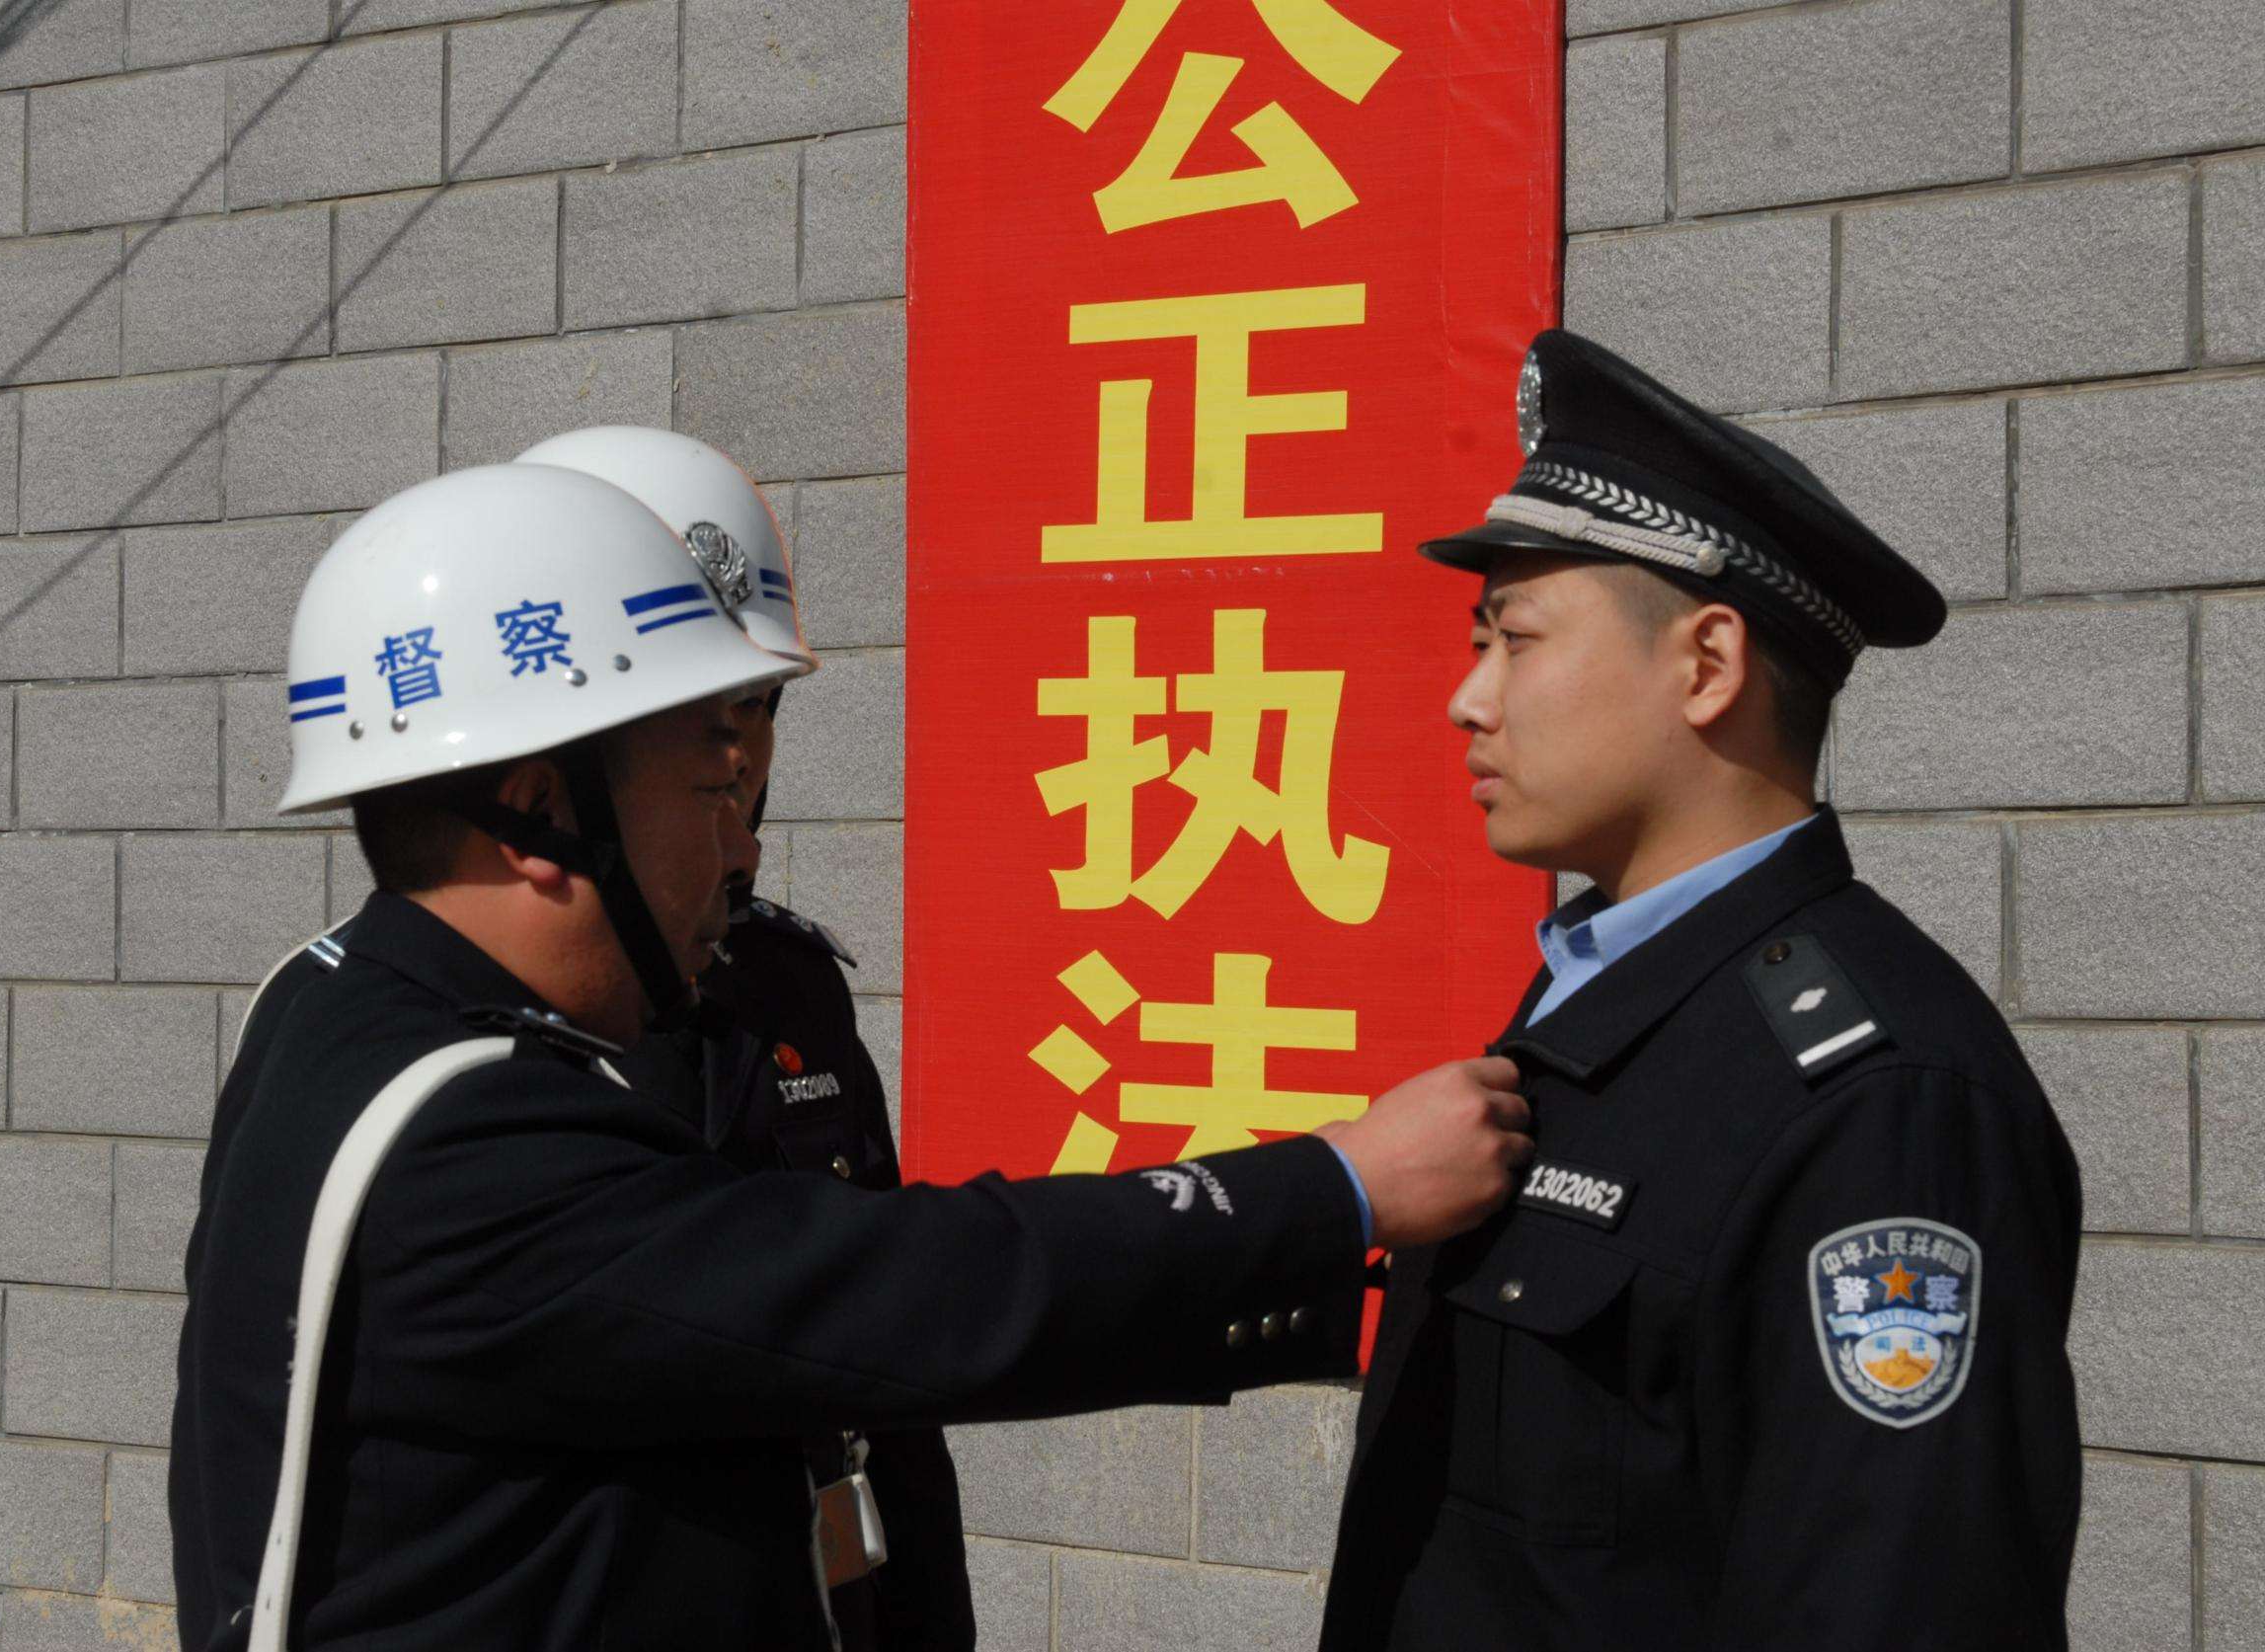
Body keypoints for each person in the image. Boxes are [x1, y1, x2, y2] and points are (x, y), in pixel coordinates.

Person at [171, 460, 1534, 1650]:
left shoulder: (336, 1009)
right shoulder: (474, 1151)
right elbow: (908, 1287)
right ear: (541, 816)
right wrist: (1336, 1185)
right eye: (710, 790)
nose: (739, 845)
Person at [1317, 331, 2083, 1651]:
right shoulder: (1612, 994)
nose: (1467, 700)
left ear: (1708, 664)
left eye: (1514, 640)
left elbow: (1894, 1600)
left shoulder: (1883, 1103)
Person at [516, 425, 972, 1649]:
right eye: (695, 715)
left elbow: (887, 1366)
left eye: (755, 707)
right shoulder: (449, 1034)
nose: (735, 754)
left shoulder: (787, 985)